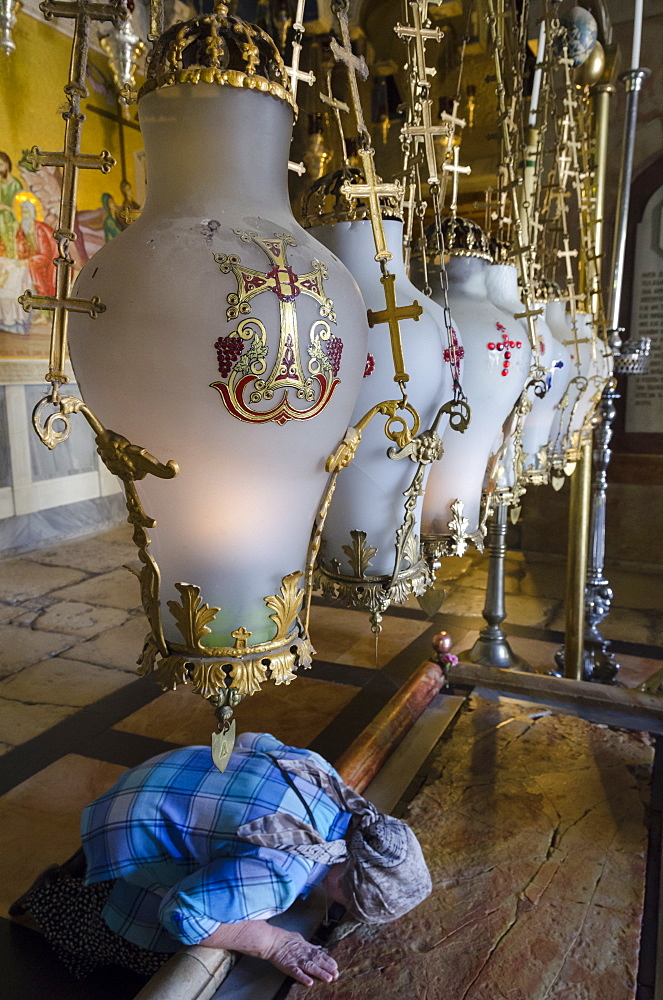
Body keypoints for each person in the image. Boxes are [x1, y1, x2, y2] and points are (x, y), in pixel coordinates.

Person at [10, 733, 432, 986]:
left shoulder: (326, 777)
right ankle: (50, 904)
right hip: (122, 821)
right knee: (147, 951)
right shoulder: (280, 875)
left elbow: (250, 742)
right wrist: (272, 941)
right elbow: (184, 914)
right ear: (343, 888)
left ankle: (108, 860)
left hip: (164, 775)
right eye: (349, 906)